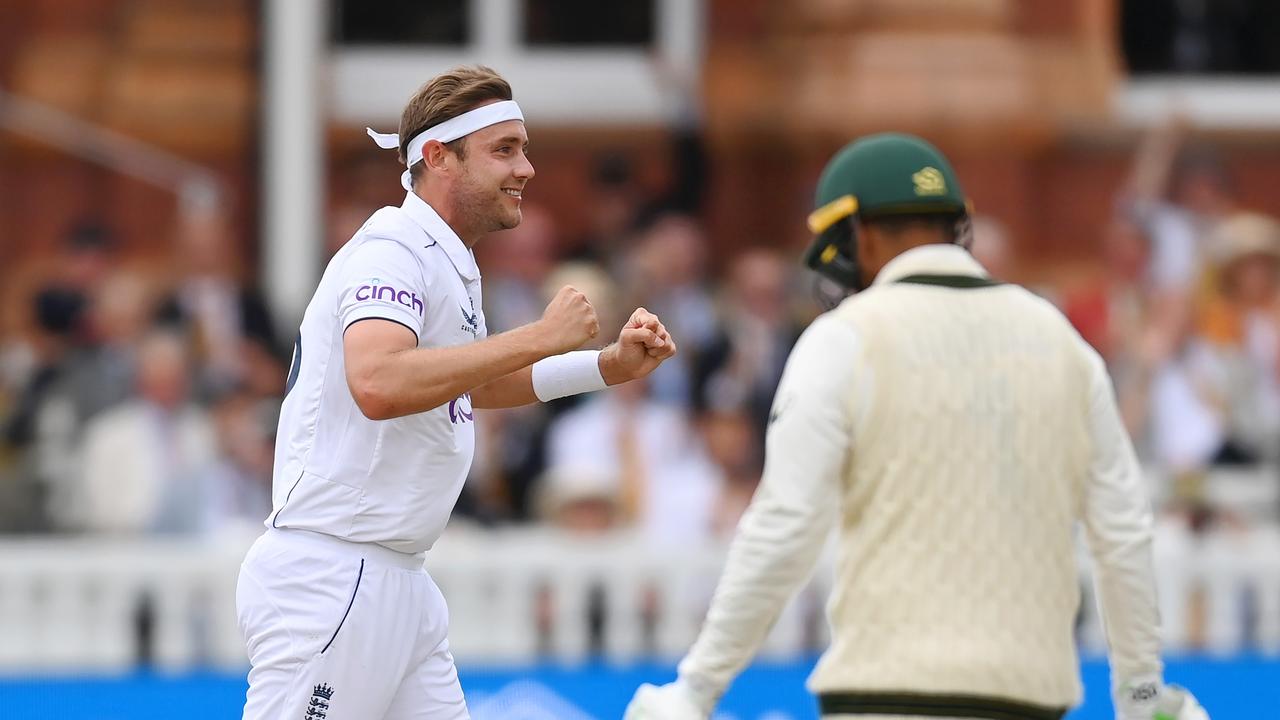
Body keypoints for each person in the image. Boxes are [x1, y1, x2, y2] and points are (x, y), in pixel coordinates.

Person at [625, 133, 1208, 720]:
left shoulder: (844, 336)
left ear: (862, 233)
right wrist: (1141, 693)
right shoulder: (1061, 341)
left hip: (885, 695)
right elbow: (1122, 529)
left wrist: (698, 687)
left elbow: (786, 525)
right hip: (1030, 698)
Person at [236, 65, 676, 720]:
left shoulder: (444, 258)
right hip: (337, 575)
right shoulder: (392, 248)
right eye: (504, 149)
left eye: (523, 148)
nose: (526, 168)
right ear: (438, 156)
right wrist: (541, 335)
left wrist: (604, 367)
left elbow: (466, 383)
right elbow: (379, 383)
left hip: (394, 578)